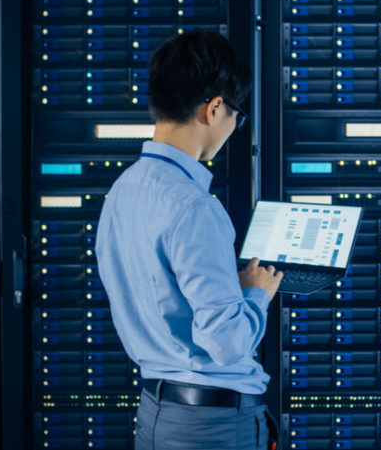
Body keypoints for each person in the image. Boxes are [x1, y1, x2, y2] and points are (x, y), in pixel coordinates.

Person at [95, 30, 283, 450]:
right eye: (237, 114)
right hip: (211, 427)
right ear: (215, 108)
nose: (235, 125)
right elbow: (226, 344)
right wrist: (255, 295)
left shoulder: (123, 190)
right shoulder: (194, 206)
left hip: (157, 414)